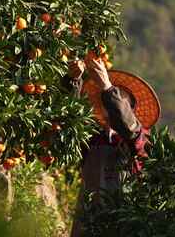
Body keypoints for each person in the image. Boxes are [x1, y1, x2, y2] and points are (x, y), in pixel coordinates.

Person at [66, 57, 161, 237]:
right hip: (88, 226)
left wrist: (108, 88)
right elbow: (71, 122)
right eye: (111, 98)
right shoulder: (92, 139)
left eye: (120, 99)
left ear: (131, 109)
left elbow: (128, 128)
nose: (113, 103)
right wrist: (75, 81)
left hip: (122, 227)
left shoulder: (140, 138)